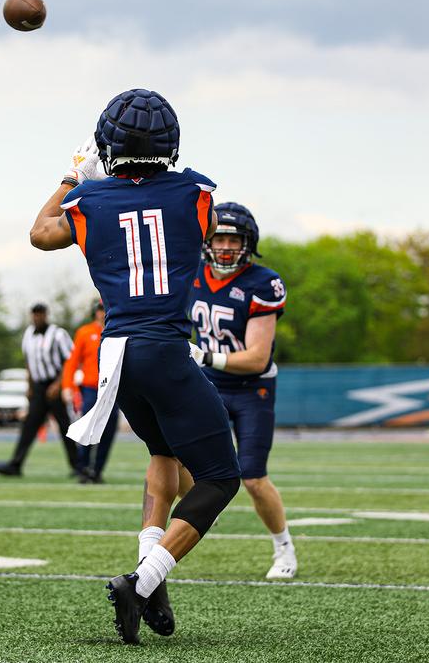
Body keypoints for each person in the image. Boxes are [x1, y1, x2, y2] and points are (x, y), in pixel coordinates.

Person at [29, 88, 241, 645]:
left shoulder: (88, 202)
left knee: (164, 453)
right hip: (164, 350)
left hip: (115, 354)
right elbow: (200, 219)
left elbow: (40, 232)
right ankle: (144, 579)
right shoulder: (195, 193)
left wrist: (76, 176)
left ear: (106, 143)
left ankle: (151, 575)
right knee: (220, 477)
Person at [187, 202, 296, 578]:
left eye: (233, 239)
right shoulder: (191, 273)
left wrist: (204, 357)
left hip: (253, 389)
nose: (225, 246)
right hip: (210, 385)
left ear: (248, 243)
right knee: (181, 458)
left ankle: (284, 548)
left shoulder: (262, 283)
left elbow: (256, 359)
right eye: (219, 238)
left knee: (252, 475)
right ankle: (201, 513)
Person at [0, 303, 78, 477]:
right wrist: (30, 386)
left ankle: (78, 466)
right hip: (38, 387)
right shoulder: (29, 334)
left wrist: (58, 384)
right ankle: (16, 464)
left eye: (40, 314)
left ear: (46, 315)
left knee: (65, 426)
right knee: (29, 426)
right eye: (34, 314)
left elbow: (70, 360)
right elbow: (29, 363)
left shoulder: (58, 334)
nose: (37, 318)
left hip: (55, 385)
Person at [61, 301, 118, 483]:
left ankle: (98, 469)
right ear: (95, 312)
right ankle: (83, 467)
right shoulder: (85, 332)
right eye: (100, 309)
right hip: (91, 388)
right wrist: (67, 386)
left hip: (113, 388)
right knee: (88, 426)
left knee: (109, 429)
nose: (103, 313)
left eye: (106, 309)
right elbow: (72, 361)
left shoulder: (119, 330)